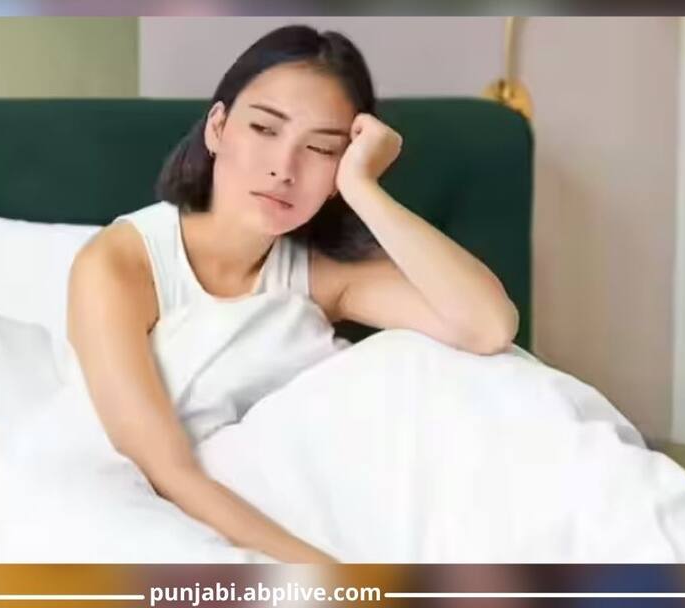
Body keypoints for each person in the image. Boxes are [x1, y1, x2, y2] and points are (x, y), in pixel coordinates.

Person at [66, 24, 518, 564]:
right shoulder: (119, 265)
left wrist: (363, 189)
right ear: (217, 127)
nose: (284, 168)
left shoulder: (321, 275)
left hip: (279, 504)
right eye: (264, 128)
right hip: (143, 507)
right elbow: (167, 472)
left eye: (322, 149)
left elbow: (488, 327)